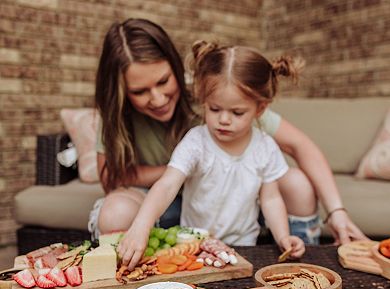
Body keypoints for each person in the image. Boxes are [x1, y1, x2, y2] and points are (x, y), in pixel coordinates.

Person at [90, 17, 367, 246]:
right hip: (173, 211)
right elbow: (122, 180)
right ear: (122, 92)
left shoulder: (221, 91)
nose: (158, 98)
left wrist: (336, 211)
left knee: (295, 182)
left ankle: (301, 253)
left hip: (235, 211)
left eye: (163, 81)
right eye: (140, 91)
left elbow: (300, 147)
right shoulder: (197, 125)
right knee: (116, 212)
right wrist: (189, 168)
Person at [118, 41, 306, 270]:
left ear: (260, 109)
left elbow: (271, 199)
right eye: (215, 109)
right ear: (203, 101)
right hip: (194, 246)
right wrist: (141, 225)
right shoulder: (197, 142)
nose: (224, 119)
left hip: (244, 248)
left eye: (237, 112)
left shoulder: (265, 147)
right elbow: (167, 185)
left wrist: (283, 237)